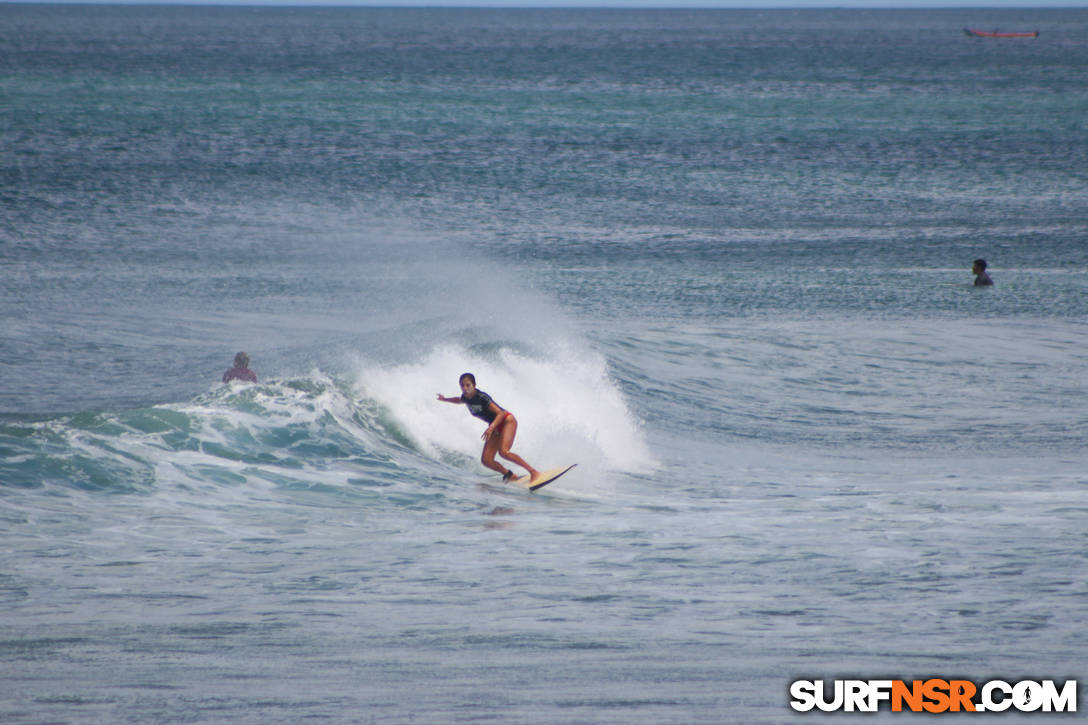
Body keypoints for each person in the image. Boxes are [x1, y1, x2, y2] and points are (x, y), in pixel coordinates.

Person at [437, 373, 539, 483]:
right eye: (462, 385)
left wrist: (491, 428)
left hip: (506, 421)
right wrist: (445, 399)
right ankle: (510, 475)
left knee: (504, 452)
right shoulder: (465, 397)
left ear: (474, 385)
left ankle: (533, 472)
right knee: (486, 460)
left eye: (468, 385)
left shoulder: (482, 397)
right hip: (494, 427)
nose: (465, 388)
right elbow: (459, 400)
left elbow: (501, 413)